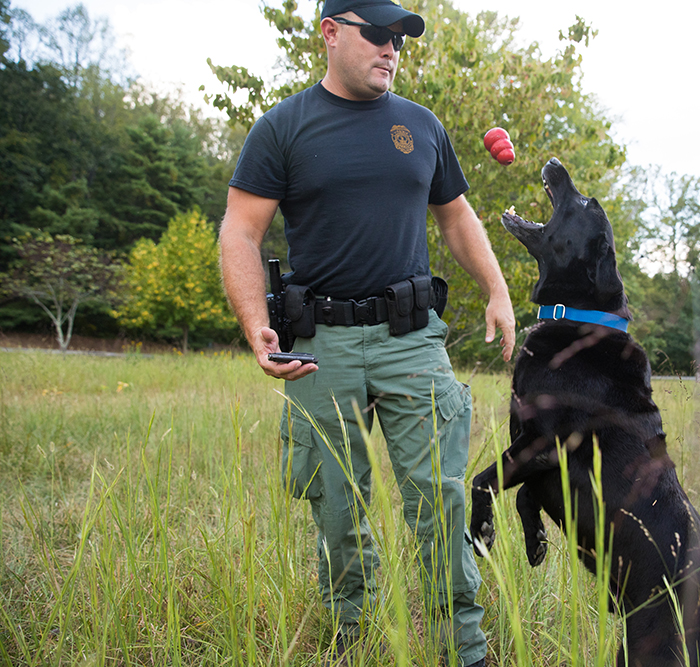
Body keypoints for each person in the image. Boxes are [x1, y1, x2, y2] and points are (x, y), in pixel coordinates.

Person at [218, 1, 516, 665]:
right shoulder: (282, 129)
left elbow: (457, 216)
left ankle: (464, 648)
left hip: (412, 338)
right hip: (320, 344)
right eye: (378, 35)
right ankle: (345, 638)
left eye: (400, 40)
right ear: (330, 32)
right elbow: (241, 228)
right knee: (337, 505)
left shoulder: (421, 125)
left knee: (439, 497)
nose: (392, 50)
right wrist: (255, 324)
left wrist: (496, 290)